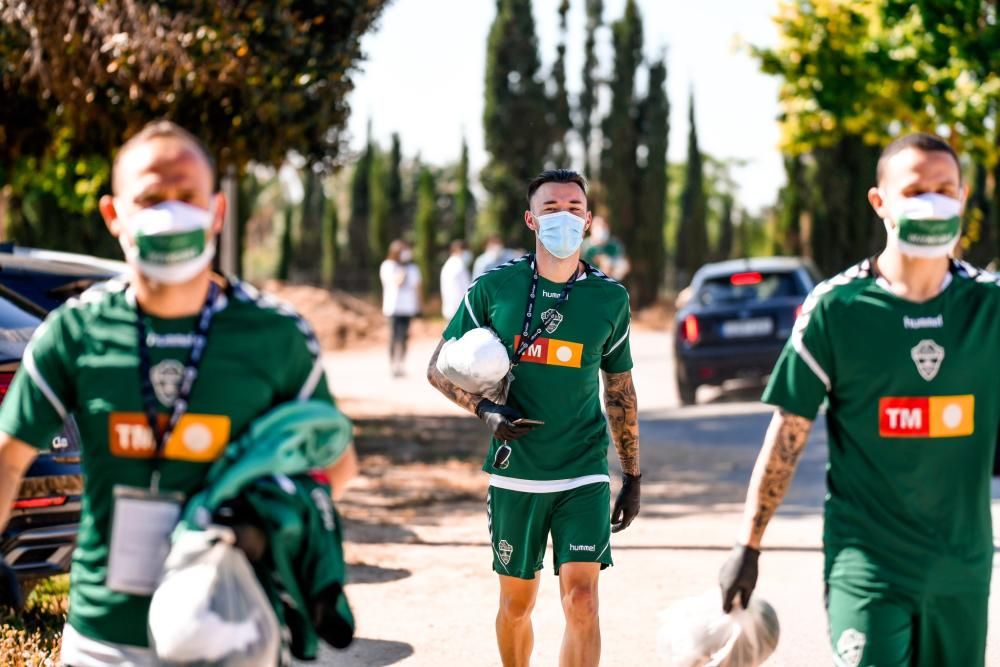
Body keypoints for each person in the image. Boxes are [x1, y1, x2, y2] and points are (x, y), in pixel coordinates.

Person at [0, 120, 359, 666]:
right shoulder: (73, 333)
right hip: (104, 641)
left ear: (216, 212)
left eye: (186, 196)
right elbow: (7, 463)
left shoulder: (276, 334)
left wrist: (263, 514)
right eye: (150, 197)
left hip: (234, 633)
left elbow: (336, 465)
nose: (171, 211)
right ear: (113, 215)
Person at [719, 133, 1000, 667]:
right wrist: (747, 544)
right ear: (880, 201)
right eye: (916, 190)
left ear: (963, 197)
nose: (933, 202)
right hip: (867, 565)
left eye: (945, 189)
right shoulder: (837, 308)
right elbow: (788, 431)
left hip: (961, 569)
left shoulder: (990, 308)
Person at [428, 169, 640, 667]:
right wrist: (485, 410)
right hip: (516, 469)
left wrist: (632, 475)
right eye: (551, 208)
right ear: (530, 219)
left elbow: (621, 391)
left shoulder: (610, 299)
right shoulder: (495, 288)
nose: (563, 217)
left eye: (573, 208)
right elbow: (438, 367)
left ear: (588, 221)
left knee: (582, 601)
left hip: (583, 467)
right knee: (515, 605)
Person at [379, 239, 421, 377]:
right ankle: (392, 364)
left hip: (408, 308)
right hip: (393, 307)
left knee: (404, 337)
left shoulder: (413, 268)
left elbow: (417, 286)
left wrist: (419, 305)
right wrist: (403, 268)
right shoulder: (388, 266)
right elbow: (397, 282)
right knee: (394, 336)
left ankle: (401, 363)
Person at [581, 216, 630, 281]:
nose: (601, 229)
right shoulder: (583, 246)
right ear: (591, 228)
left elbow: (625, 265)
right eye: (597, 225)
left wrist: (613, 269)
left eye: (603, 226)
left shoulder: (615, 245)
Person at [440, 239, 472, 320]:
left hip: (450, 309)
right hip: (459, 310)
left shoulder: (448, 264)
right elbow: (467, 289)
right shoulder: (459, 265)